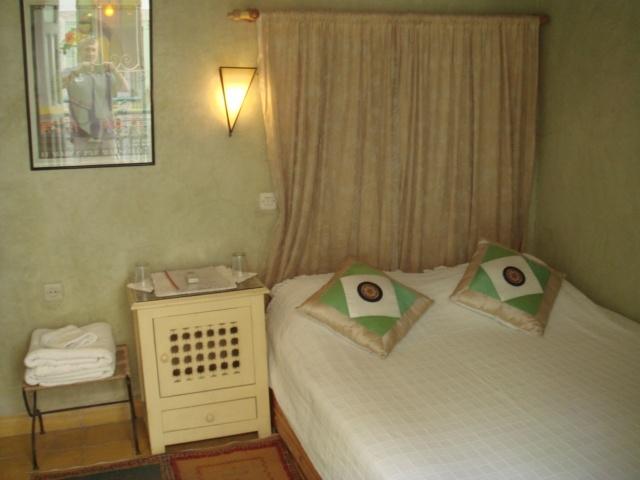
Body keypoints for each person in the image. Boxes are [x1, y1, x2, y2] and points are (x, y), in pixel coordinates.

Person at [63, 36, 129, 157]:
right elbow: (56, 87)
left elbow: (125, 88)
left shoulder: (104, 73)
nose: (90, 53)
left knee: (112, 166)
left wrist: (114, 70)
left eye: (93, 50)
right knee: (84, 167)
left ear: (97, 52)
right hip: (82, 132)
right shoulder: (70, 72)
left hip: (106, 131)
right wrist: (78, 70)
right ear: (79, 52)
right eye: (87, 49)